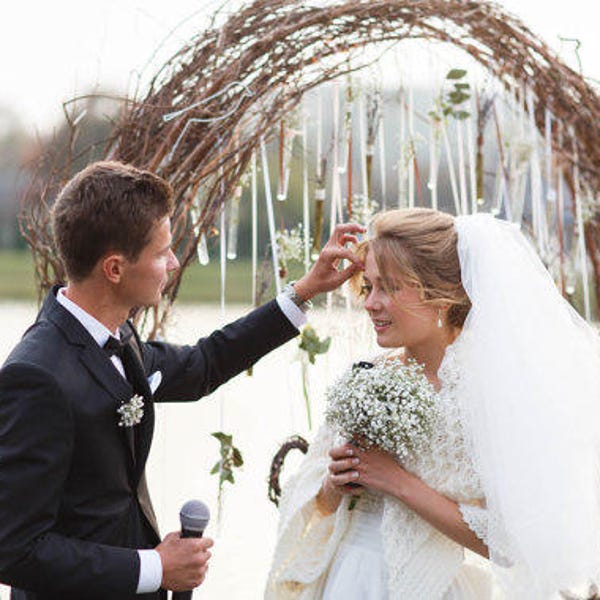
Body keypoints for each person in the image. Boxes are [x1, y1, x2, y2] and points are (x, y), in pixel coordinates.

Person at [0, 160, 364, 600]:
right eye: (161, 252)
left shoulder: (118, 333)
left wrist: (304, 290)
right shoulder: (36, 378)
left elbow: (202, 365)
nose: (173, 263)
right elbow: (14, 549)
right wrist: (155, 567)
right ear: (114, 268)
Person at [266, 208, 600, 599]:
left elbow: (513, 545)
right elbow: (314, 501)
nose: (372, 303)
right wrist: (333, 483)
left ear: (441, 297)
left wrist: (398, 482)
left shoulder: (487, 396)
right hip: (347, 580)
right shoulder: (367, 376)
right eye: (368, 287)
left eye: (389, 288)